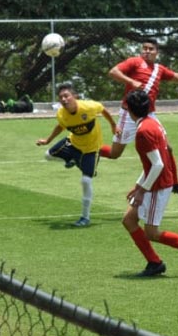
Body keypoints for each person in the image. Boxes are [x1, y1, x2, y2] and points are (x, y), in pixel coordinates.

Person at [103, 38, 178, 201]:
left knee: (167, 148)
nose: (147, 51)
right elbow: (113, 72)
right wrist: (131, 81)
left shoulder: (158, 69)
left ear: (157, 52)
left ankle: (175, 183)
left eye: (151, 49)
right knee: (115, 153)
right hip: (129, 113)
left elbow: (177, 76)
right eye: (144, 48)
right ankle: (90, 150)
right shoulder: (135, 62)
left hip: (149, 115)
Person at [121, 89, 178, 277]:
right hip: (154, 183)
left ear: (129, 109)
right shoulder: (152, 123)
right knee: (129, 220)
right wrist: (138, 185)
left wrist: (141, 190)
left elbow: (158, 165)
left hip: (157, 186)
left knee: (151, 232)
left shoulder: (143, 131)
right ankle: (154, 263)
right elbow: (155, 161)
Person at [36, 82, 118, 228]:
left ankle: (85, 218)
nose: (63, 99)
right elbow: (61, 126)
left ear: (75, 96)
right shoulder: (61, 113)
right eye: (61, 97)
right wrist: (47, 140)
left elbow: (103, 109)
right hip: (72, 143)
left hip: (91, 149)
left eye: (66, 96)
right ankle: (73, 159)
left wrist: (113, 125)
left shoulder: (89, 107)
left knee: (86, 181)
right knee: (47, 155)